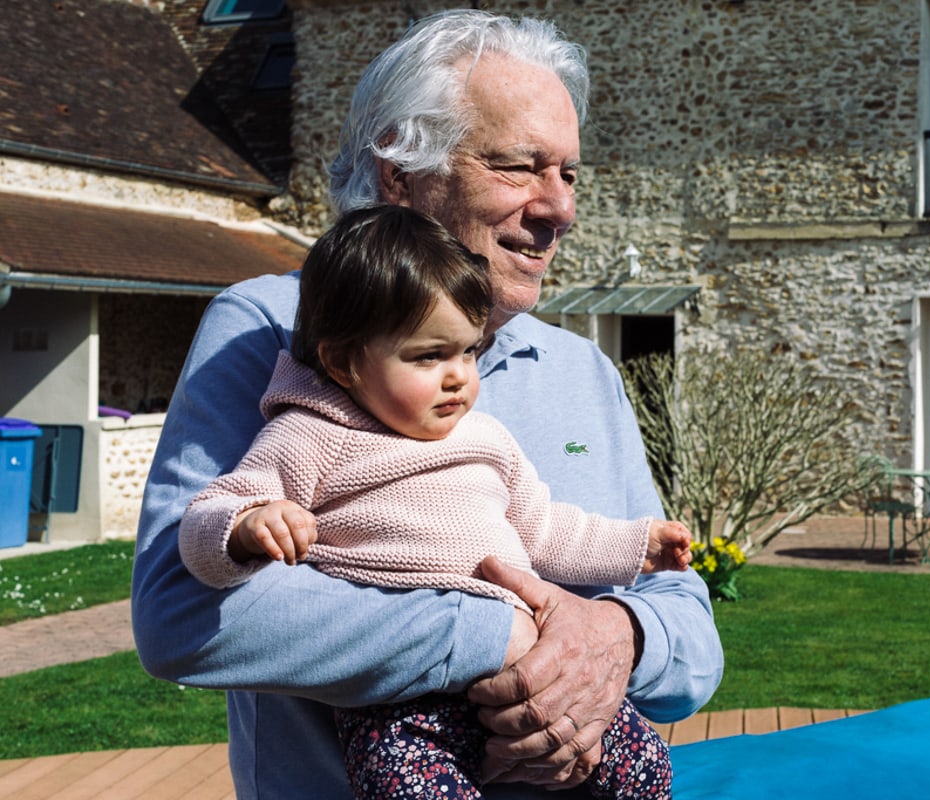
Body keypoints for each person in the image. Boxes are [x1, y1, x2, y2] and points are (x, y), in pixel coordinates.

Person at [132, 10, 723, 799]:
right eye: (520, 166)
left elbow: (686, 629)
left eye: (570, 173)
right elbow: (181, 616)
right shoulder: (276, 327)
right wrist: (496, 636)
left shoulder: (583, 369)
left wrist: (618, 637)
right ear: (399, 174)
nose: (560, 208)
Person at [178, 205, 689, 798]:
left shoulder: (484, 438)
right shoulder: (308, 436)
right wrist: (246, 526)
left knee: (647, 769)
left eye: (468, 351)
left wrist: (637, 545)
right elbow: (203, 523)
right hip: (396, 704)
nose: (458, 377)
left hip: (527, 687)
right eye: (429, 356)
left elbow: (547, 531)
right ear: (344, 362)